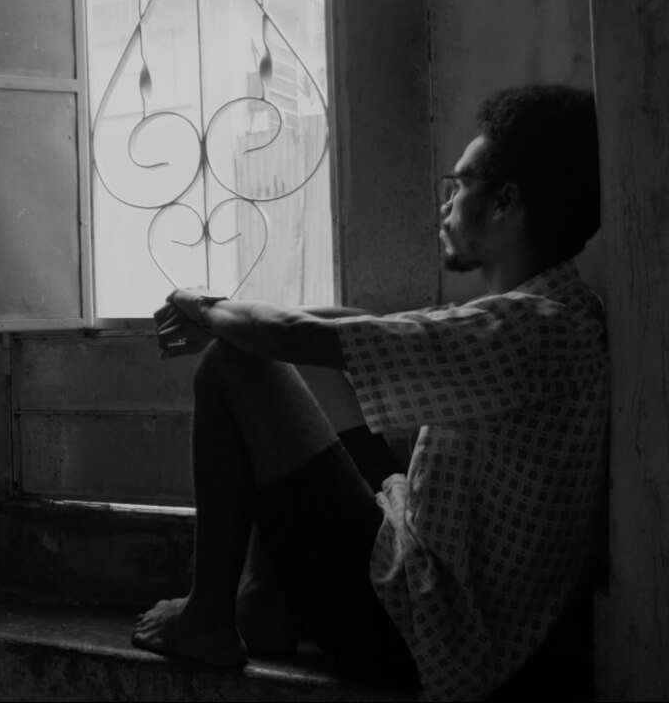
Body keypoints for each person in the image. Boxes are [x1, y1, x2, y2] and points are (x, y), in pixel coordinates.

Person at [131, 84, 606, 701]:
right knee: (296, 357)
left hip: (420, 638)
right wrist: (245, 321)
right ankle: (262, 602)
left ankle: (209, 617)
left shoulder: (531, 330)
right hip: (428, 585)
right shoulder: (550, 313)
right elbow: (358, 331)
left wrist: (203, 307)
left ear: (505, 203)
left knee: (233, 363)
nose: (446, 203)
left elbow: (310, 336)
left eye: (459, 185)